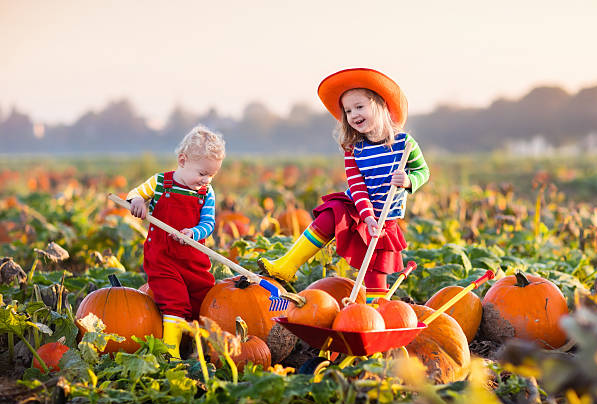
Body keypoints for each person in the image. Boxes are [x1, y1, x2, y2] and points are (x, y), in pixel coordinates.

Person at [258, 68, 429, 303]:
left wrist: (410, 181)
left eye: (359, 107)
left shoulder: (404, 144)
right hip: (358, 207)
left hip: (386, 216)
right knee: (331, 214)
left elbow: (423, 172)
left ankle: (374, 315)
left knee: (375, 270)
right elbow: (357, 186)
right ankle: (287, 265)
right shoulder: (354, 149)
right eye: (348, 111)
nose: (353, 114)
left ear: (380, 105)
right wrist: (366, 215)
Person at [127, 125, 225, 358]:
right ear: (183, 160)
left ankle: (196, 350)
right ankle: (171, 354)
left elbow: (209, 223)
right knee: (175, 300)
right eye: (202, 173)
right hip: (163, 258)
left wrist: (194, 232)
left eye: (212, 175)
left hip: (193, 260)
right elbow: (135, 194)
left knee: (201, 301)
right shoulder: (161, 183)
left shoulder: (206, 193)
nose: (206, 180)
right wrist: (138, 201)